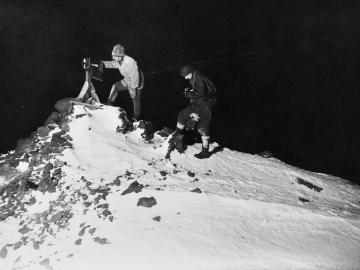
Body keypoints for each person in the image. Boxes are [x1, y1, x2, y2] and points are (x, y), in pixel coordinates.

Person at [174, 65, 216, 159]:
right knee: (182, 115)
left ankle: (205, 151)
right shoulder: (195, 77)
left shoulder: (198, 78)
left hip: (205, 105)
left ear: (190, 72)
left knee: (202, 128)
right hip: (199, 103)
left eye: (186, 75)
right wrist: (191, 91)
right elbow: (199, 90)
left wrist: (188, 94)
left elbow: (201, 93)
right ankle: (176, 135)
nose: (185, 77)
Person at [102, 44, 144, 120]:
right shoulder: (119, 60)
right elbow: (112, 64)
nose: (113, 58)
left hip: (137, 81)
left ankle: (136, 117)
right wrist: (101, 63)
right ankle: (109, 103)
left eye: (114, 56)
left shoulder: (130, 62)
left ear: (120, 56)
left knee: (135, 98)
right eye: (113, 55)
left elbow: (135, 76)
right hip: (128, 78)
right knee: (116, 86)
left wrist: (133, 89)